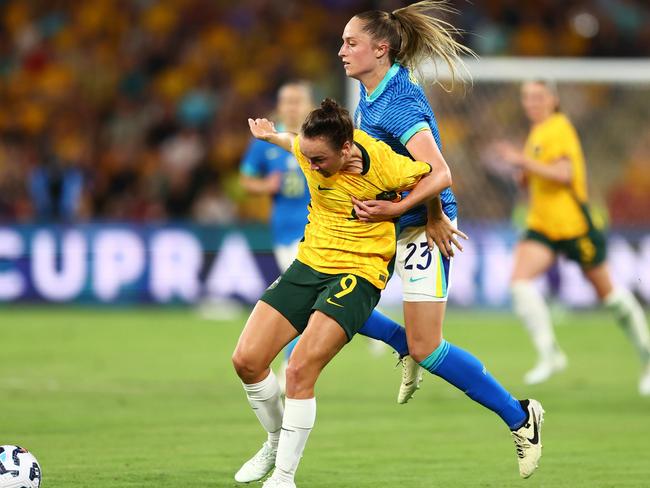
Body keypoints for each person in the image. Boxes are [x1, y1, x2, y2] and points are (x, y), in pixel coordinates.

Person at [338, 1, 543, 479]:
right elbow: (405, 165)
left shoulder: (397, 101)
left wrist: (411, 210)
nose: (341, 50)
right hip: (396, 221)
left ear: (380, 49)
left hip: (424, 226)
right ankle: (403, 344)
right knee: (332, 296)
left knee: (428, 346)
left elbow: (439, 172)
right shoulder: (375, 90)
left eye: (352, 42)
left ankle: (521, 417)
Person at [232, 98, 449, 487]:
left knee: (298, 370)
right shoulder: (307, 148)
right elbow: (293, 142)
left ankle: (283, 477)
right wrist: (268, 136)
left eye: (319, 161)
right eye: (308, 158)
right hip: (312, 260)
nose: (311, 167)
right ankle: (276, 438)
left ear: (347, 148)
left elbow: (434, 177)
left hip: (360, 269)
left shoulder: (384, 162)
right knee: (246, 360)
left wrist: (421, 214)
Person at [240, 80, 418, 395]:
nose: (291, 106)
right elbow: (248, 178)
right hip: (288, 233)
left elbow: (427, 176)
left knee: (311, 303)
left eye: (297, 101)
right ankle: (397, 339)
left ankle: (289, 366)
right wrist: (265, 182)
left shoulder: (333, 145)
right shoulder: (289, 145)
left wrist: (422, 212)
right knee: (317, 303)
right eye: (286, 101)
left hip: (324, 240)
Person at [495, 79, 650, 394]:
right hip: (543, 226)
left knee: (611, 297)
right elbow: (541, 176)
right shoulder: (538, 133)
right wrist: (525, 176)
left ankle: (647, 356)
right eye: (527, 97)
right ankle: (550, 353)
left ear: (553, 99)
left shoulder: (558, 128)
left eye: (538, 96)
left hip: (573, 226)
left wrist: (523, 162)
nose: (531, 103)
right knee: (519, 282)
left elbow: (565, 174)